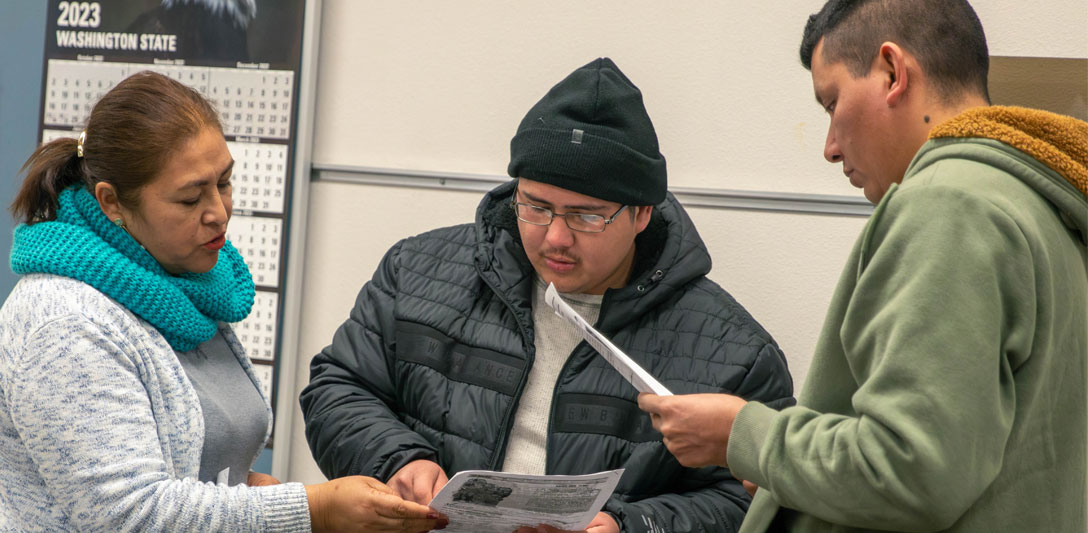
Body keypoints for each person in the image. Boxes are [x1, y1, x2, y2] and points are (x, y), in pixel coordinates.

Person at [637, 1, 1088, 531]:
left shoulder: (948, 206)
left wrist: (744, 435)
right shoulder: (1035, 203)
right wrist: (793, 469)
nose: (829, 147)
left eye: (831, 103)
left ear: (893, 72)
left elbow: (911, 471)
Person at [300, 57, 795, 533]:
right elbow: (338, 386)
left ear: (642, 214)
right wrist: (399, 459)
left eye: (586, 216)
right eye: (535, 207)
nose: (556, 237)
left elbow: (750, 500)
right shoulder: (417, 272)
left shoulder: (733, 354)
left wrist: (632, 525)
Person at [0, 71, 447, 533]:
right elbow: (128, 515)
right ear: (112, 202)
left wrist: (249, 493)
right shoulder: (64, 321)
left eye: (224, 183)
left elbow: (193, 460)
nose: (218, 213)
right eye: (189, 199)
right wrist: (309, 510)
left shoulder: (180, 283)